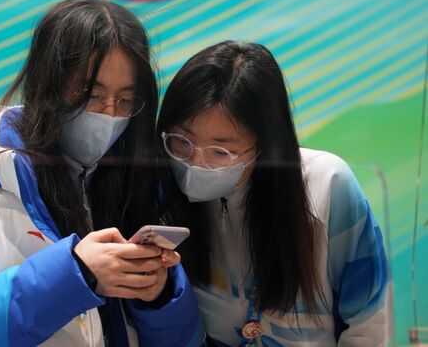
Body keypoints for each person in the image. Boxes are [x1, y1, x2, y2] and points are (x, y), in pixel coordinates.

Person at [0, 0, 204, 347]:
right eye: (91, 95)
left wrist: (160, 296)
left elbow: (188, 339)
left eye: (126, 101)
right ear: (49, 85)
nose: (109, 115)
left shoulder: (136, 178)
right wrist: (74, 276)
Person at [156, 41, 389, 346]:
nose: (197, 164)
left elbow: (367, 321)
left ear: (265, 146)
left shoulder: (328, 185)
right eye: (182, 142)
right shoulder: (160, 194)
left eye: (221, 151)